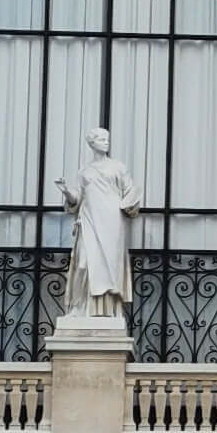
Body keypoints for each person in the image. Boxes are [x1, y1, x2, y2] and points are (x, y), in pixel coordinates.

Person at [57, 128, 142, 321]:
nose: (106, 142)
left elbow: (131, 192)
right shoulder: (84, 171)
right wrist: (66, 191)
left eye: (107, 139)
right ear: (91, 143)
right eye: (101, 139)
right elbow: (77, 199)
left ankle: (108, 311)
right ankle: (79, 308)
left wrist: (130, 202)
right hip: (89, 220)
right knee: (83, 263)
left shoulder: (118, 167)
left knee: (109, 265)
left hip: (112, 222)